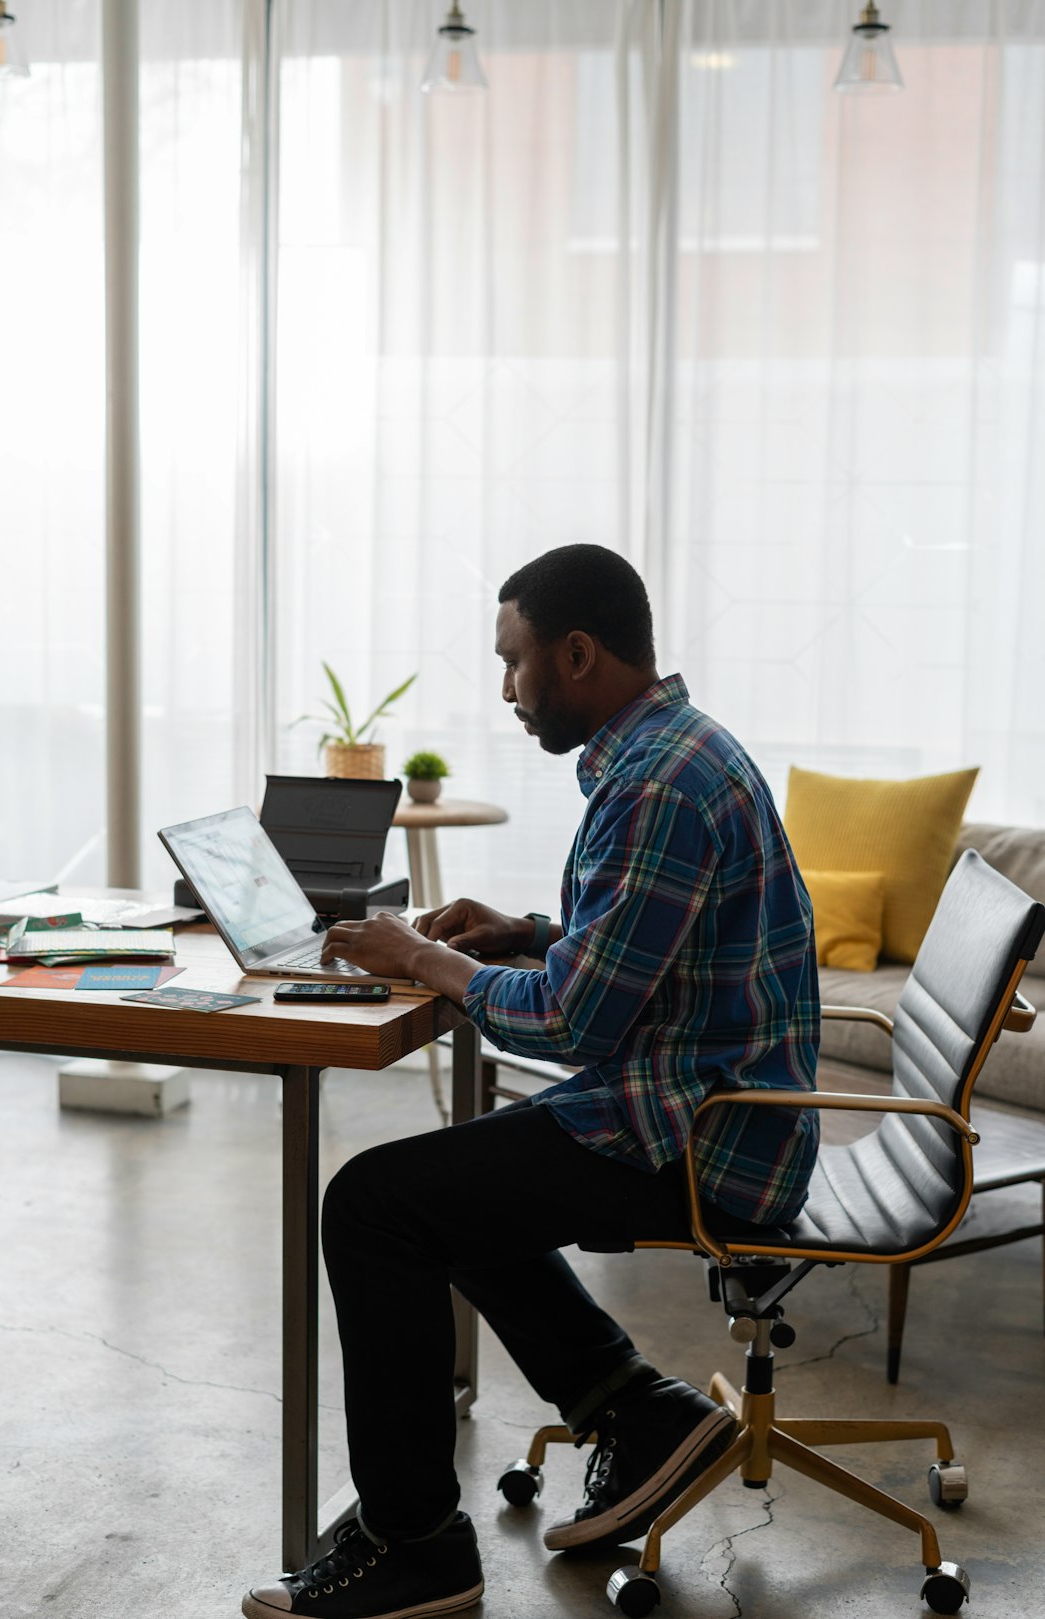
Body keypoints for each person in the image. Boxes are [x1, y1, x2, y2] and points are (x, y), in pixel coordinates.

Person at [242, 544, 820, 1619]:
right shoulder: (676, 750)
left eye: (514, 663)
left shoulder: (654, 783)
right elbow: (640, 962)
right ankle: (632, 1408)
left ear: (579, 652)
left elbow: (575, 1020)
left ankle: (416, 1545)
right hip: (708, 1102)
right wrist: (522, 934)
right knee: (448, 1183)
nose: (508, 690)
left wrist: (426, 958)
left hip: (708, 1138)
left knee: (376, 1203)